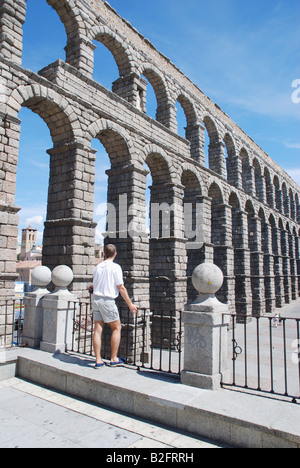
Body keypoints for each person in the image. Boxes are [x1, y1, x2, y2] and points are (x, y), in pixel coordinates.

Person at [90, 244, 138, 369]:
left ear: (104, 253)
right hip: (107, 301)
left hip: (95, 300)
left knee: (97, 329)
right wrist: (130, 304)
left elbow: (94, 285)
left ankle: (98, 360)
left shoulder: (97, 267)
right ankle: (113, 358)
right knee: (117, 328)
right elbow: (121, 287)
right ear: (115, 254)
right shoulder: (116, 267)